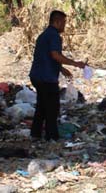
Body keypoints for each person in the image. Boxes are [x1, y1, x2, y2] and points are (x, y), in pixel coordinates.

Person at [29, 10, 85, 141]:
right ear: (57, 21)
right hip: (46, 77)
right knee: (52, 108)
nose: (65, 26)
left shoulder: (43, 35)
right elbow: (55, 55)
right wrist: (75, 63)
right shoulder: (54, 36)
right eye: (64, 22)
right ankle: (51, 136)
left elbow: (46, 57)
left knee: (41, 106)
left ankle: (35, 134)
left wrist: (61, 69)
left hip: (37, 75)